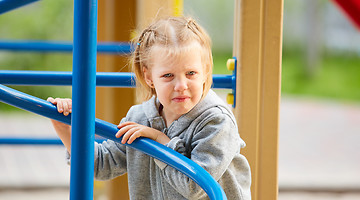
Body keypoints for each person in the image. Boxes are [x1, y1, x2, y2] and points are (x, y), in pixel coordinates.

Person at [48, 16, 251, 199]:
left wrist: (159, 140)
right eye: (168, 76)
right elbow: (102, 165)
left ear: (205, 72)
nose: (181, 85)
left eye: (191, 73)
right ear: (148, 77)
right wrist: (67, 130)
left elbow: (195, 187)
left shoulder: (216, 121)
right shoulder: (139, 118)